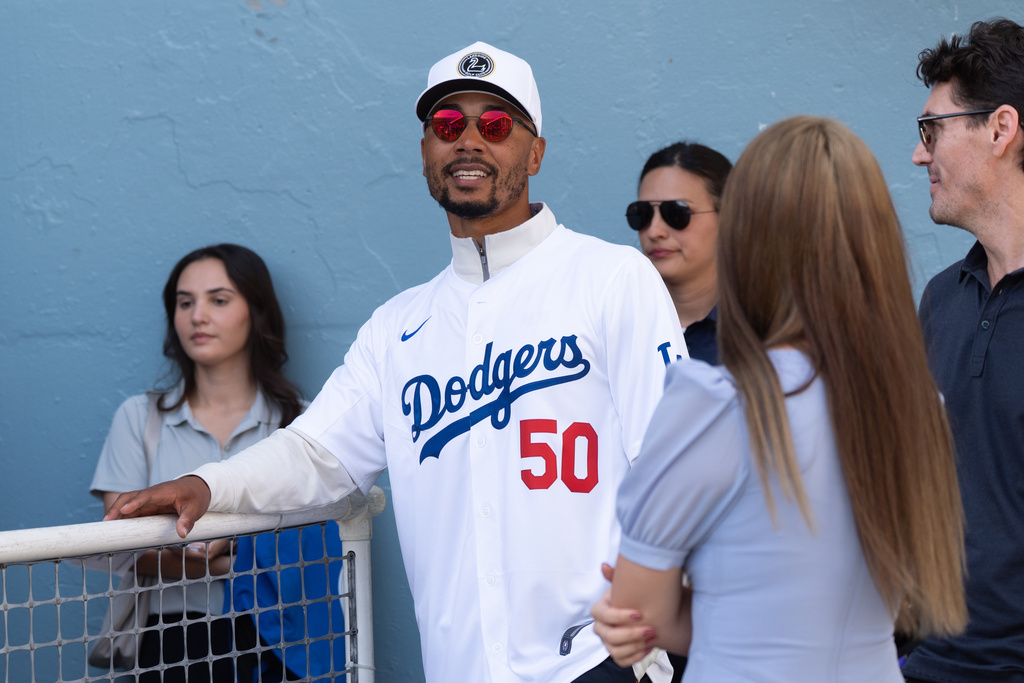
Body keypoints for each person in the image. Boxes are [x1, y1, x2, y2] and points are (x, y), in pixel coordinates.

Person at [103, 42, 686, 683]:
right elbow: (317, 454)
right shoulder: (398, 327)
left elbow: (674, 465)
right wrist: (212, 485)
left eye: (495, 125)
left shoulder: (611, 279)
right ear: (425, 152)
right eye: (446, 125)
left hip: (598, 660)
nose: (468, 140)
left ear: (535, 152)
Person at [590, 116, 968, 682]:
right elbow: (891, 613)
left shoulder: (715, 403)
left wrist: (666, 606)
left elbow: (641, 608)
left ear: (750, 239)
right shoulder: (920, 406)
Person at [90, 243, 317, 682]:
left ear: (256, 310)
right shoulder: (139, 418)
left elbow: (313, 547)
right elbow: (125, 550)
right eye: (184, 302)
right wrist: (226, 560)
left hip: (281, 638)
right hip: (171, 642)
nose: (198, 316)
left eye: (218, 299)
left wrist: (206, 554)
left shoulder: (302, 423)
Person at [902, 18, 1024, 683]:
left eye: (932, 131)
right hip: (928, 661)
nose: (921, 155)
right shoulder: (942, 299)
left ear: (1000, 129)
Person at [626, 142, 731, 365]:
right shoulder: (618, 327)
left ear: (729, 218)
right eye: (642, 214)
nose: (654, 232)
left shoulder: (765, 334)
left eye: (676, 212)